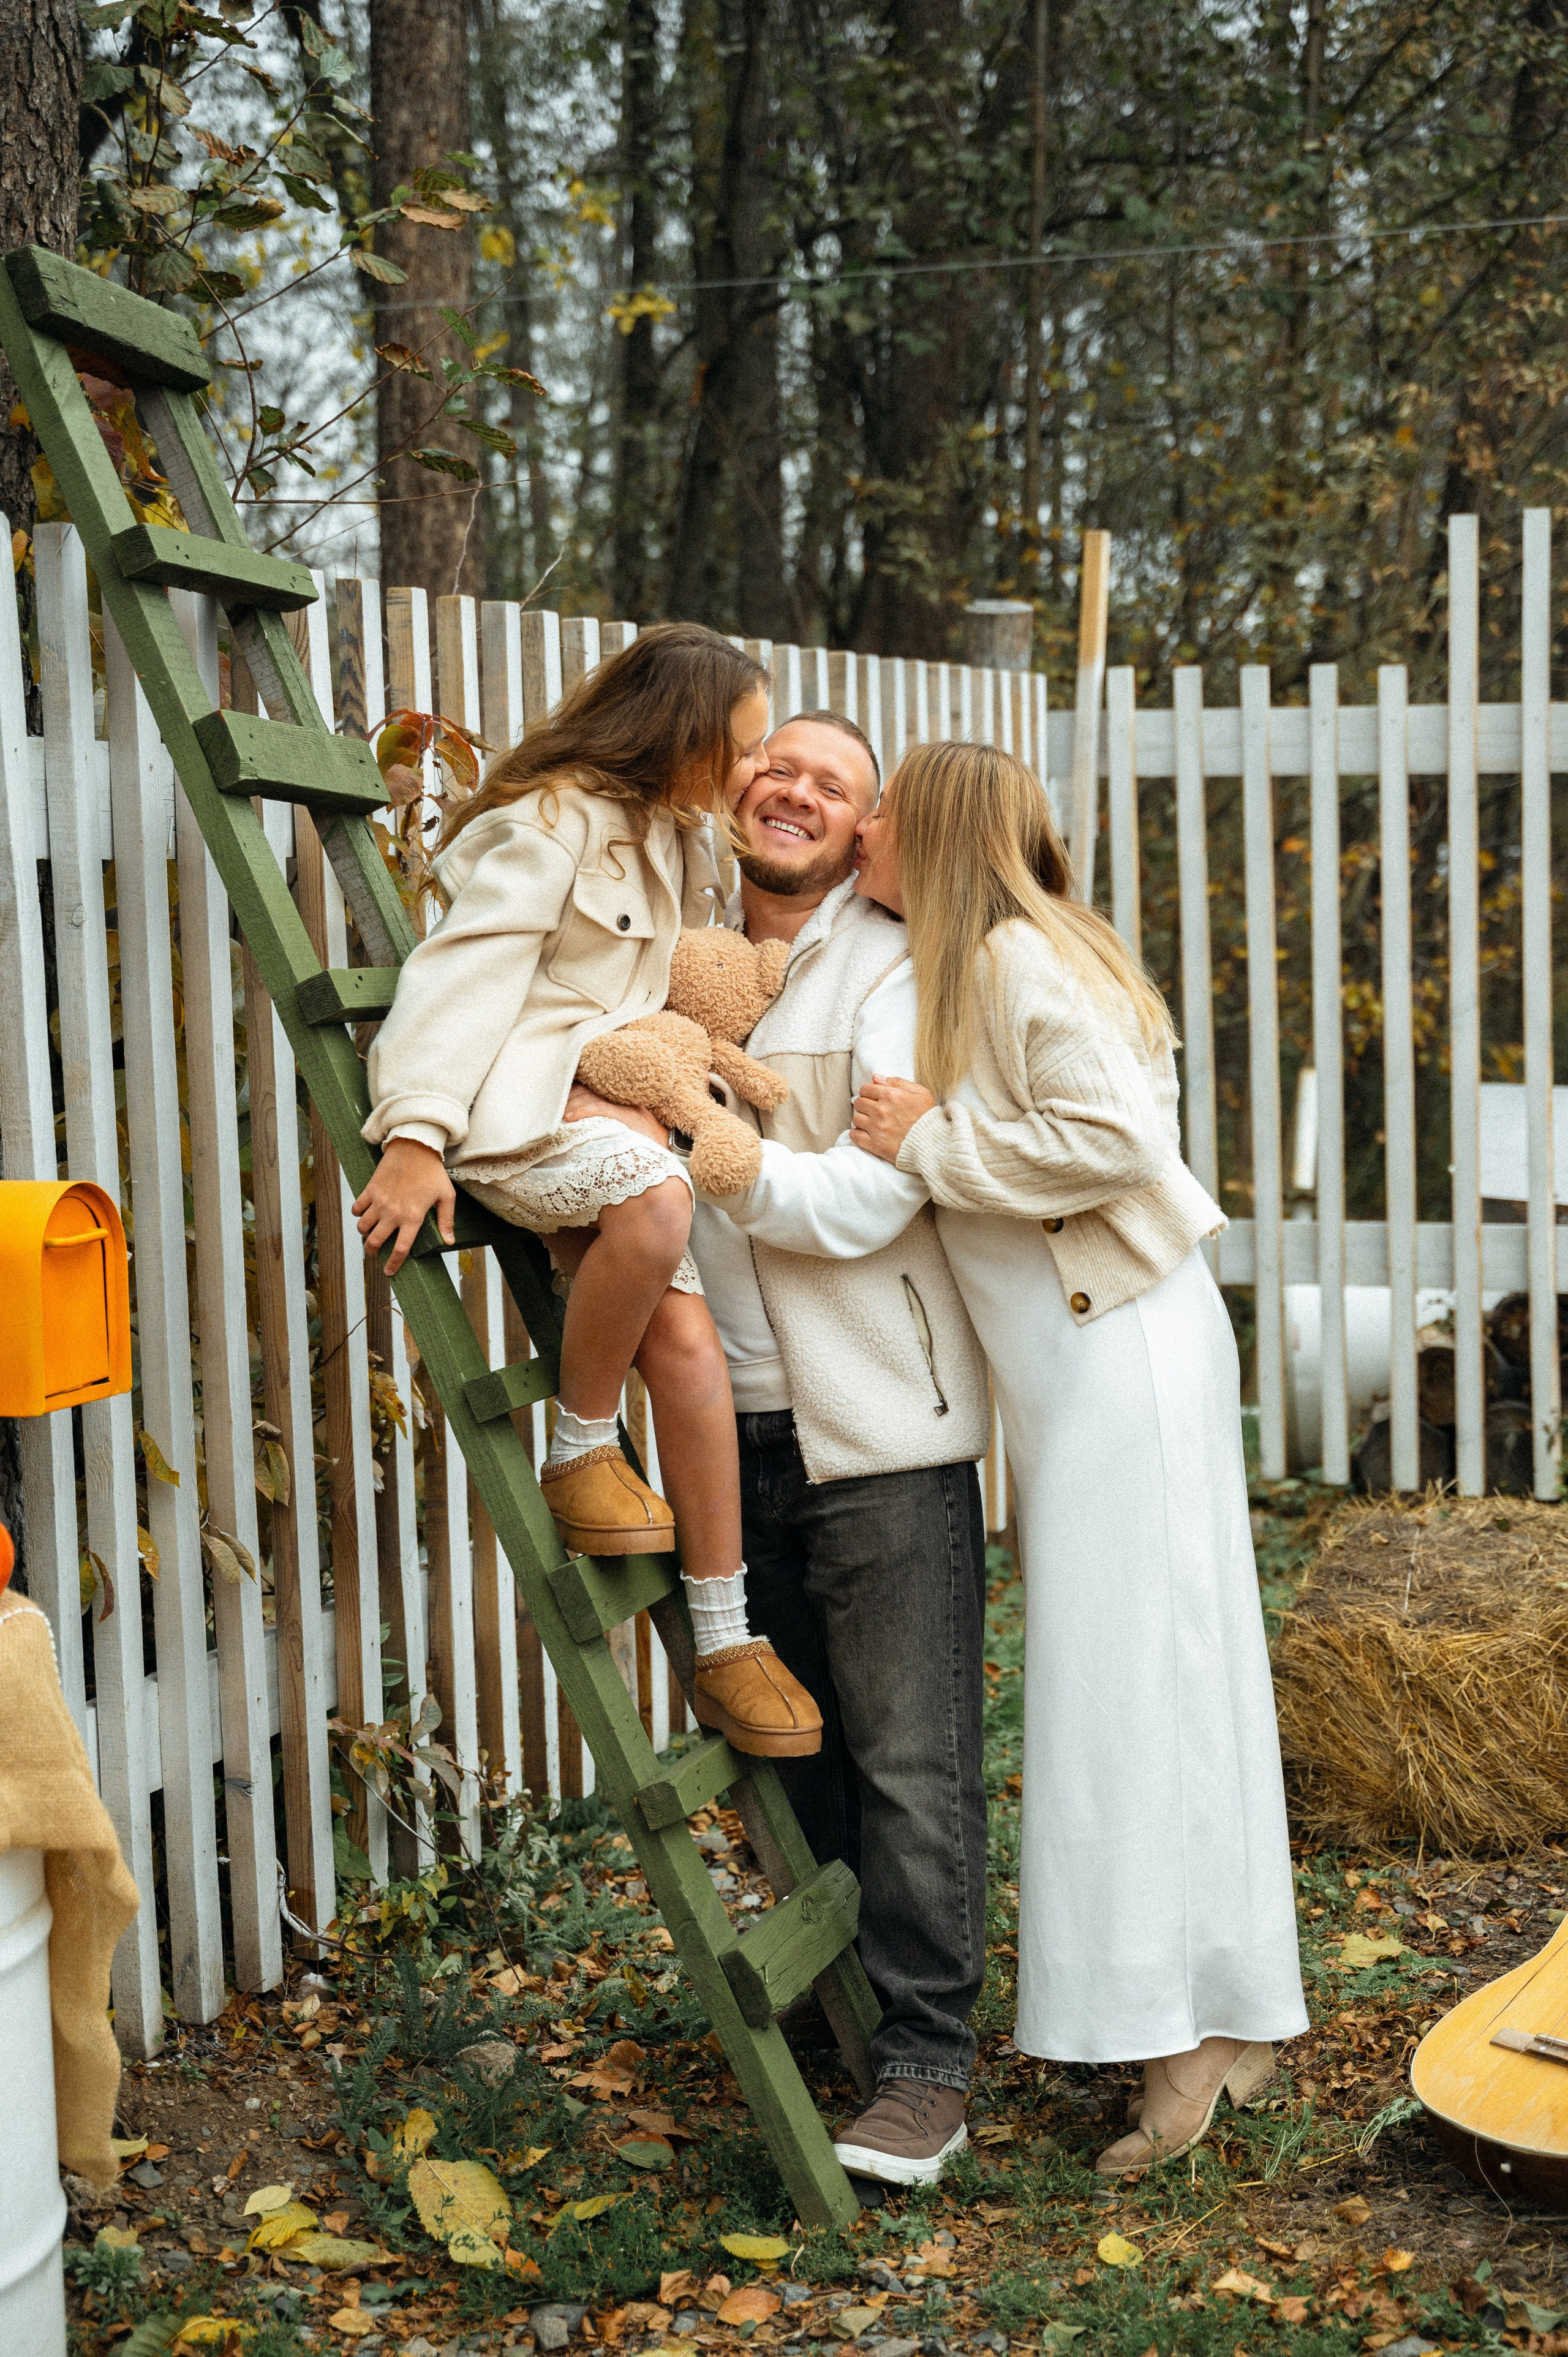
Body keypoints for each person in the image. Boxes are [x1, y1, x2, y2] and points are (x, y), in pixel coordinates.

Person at [837, 740, 1309, 2174]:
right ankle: (1226, 2008)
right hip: (1104, 1364)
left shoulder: (1009, 961)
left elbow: (1113, 1139)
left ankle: (1182, 2046)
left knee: (1129, 1702)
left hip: (1122, 1367)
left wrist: (931, 1141)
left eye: (879, 813)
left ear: (935, 835)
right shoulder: (1011, 952)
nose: (857, 831)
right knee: (1170, 1683)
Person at [563, 710, 995, 2189]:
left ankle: (929, 2063)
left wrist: (694, 1151)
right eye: (775, 766)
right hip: (714, 1434)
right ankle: (843, 2025)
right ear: (733, 789)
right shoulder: (665, 950)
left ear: (868, 829)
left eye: (833, 782)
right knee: (791, 1748)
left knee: (909, 1759)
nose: (793, 791)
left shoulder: (893, 964)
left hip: (879, 1423)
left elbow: (873, 1204)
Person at [352, 623, 821, 1760]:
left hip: (612, 1107)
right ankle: (579, 1449)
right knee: (660, 1204)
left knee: (696, 1353)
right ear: (678, 734)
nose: (754, 772)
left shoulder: (673, 835)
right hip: (517, 1108)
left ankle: (724, 1639)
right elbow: (465, 978)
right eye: (743, 748)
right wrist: (417, 1133)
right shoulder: (548, 825)